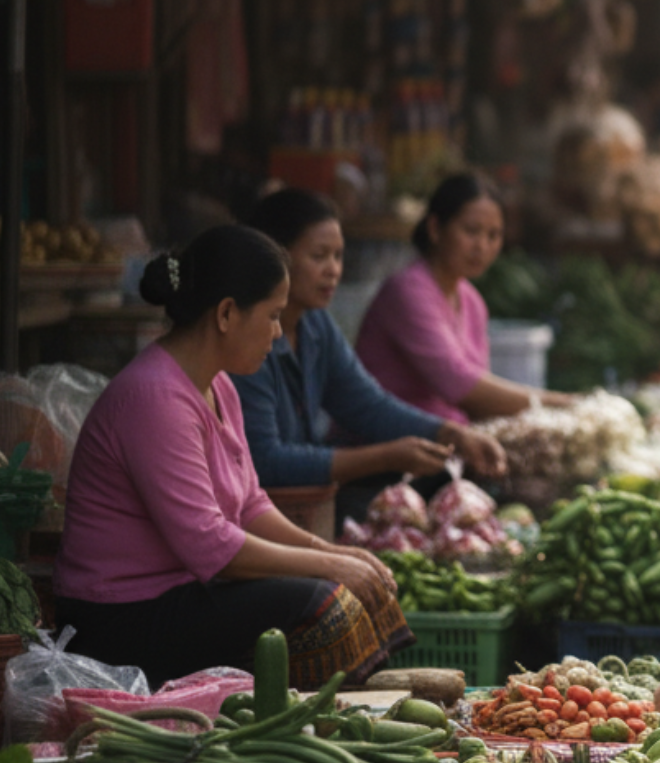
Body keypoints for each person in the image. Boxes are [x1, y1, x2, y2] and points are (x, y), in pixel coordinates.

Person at [53, 225, 409, 688]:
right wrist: (329, 565)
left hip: (179, 595)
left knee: (356, 585)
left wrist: (333, 552)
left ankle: (365, 717)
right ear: (226, 314)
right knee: (325, 606)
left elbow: (250, 505)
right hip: (118, 618)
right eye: (273, 316)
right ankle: (325, 730)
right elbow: (212, 549)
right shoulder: (155, 399)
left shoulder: (218, 384)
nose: (278, 334)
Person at [237, 189, 507, 515]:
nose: (333, 270)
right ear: (275, 257)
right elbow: (264, 462)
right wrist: (385, 456)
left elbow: (366, 404)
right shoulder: (245, 340)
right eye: (319, 256)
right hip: (255, 515)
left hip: (305, 506)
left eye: (338, 256)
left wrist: (449, 433)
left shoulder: (315, 325)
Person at [357, 173, 572, 424]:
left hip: (446, 441)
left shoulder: (472, 302)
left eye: (493, 236)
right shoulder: (407, 291)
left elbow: (478, 398)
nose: (482, 246)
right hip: (385, 446)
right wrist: (562, 404)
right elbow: (458, 384)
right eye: (471, 231)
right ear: (435, 228)